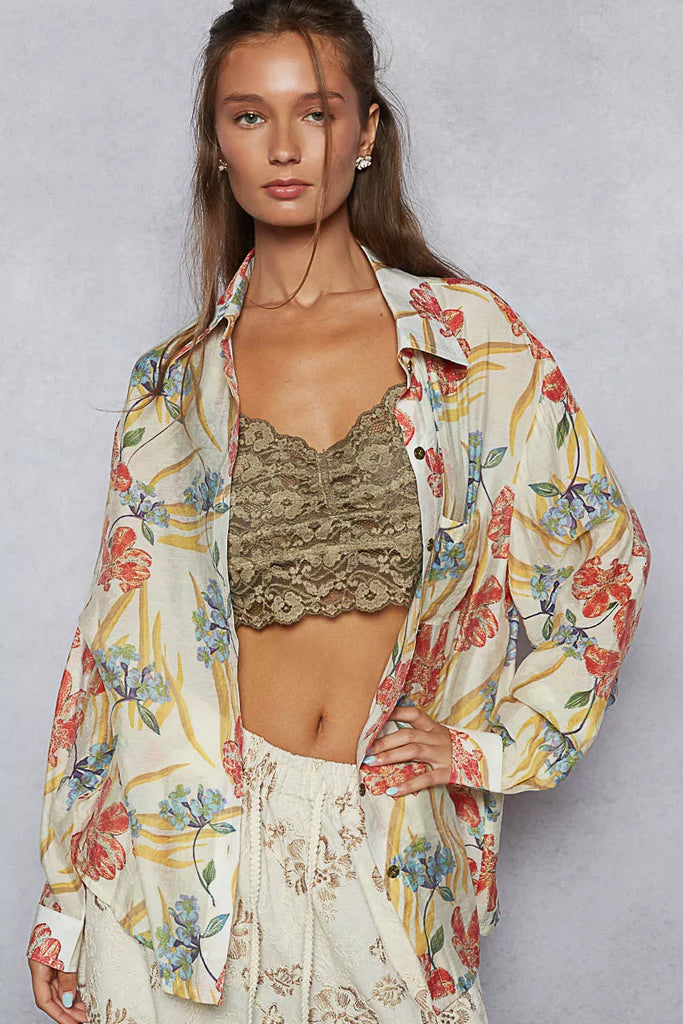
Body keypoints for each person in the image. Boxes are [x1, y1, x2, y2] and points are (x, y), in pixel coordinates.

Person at [25, 2, 652, 1023]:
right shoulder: (172, 388)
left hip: (387, 850)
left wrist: (484, 744)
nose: (283, 147)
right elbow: (114, 653)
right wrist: (63, 898)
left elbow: (602, 559)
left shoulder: (471, 346)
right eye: (248, 115)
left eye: (313, 113)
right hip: (183, 875)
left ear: (364, 132)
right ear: (215, 144)